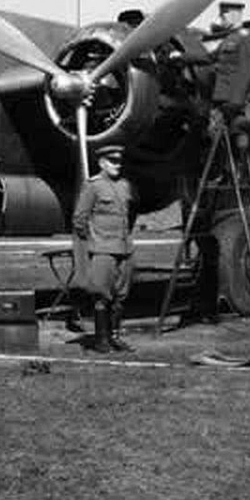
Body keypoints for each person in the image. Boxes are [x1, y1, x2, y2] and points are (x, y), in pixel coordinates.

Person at [72, 144, 137, 353]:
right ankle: (101, 339)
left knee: (120, 296)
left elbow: (129, 214)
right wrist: (95, 241)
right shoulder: (93, 186)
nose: (117, 165)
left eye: (119, 161)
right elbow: (80, 219)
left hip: (124, 248)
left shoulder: (125, 185)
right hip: (103, 249)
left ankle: (115, 336)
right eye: (112, 161)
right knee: (101, 294)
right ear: (102, 163)